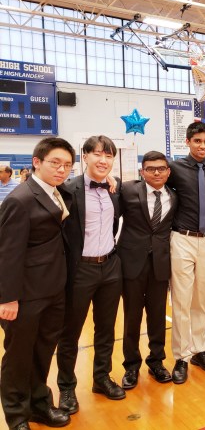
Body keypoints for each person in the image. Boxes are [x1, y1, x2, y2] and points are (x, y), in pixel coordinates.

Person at [0, 138, 74, 430]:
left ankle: (40, 405)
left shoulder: (57, 192)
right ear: (36, 162)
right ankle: (17, 415)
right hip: (25, 294)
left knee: (43, 351)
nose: (61, 170)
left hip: (54, 288)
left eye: (67, 165)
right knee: (19, 356)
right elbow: (7, 253)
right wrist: (7, 298)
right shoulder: (20, 200)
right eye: (55, 163)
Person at [57, 135, 125, 415]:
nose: (103, 160)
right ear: (84, 156)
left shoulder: (115, 189)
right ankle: (66, 387)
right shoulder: (67, 189)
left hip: (110, 266)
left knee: (106, 329)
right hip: (79, 269)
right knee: (70, 332)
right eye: (97, 154)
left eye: (108, 155)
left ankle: (101, 378)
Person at [166, 121, 205, 383]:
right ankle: (181, 356)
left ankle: (200, 350)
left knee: (201, 300)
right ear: (188, 142)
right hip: (182, 239)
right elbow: (152, 184)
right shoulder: (175, 168)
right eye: (197, 141)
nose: (202, 146)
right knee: (181, 300)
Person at [118, 151, 177, 390]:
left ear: (168, 172)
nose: (156, 173)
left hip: (160, 265)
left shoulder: (174, 196)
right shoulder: (127, 190)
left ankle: (156, 362)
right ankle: (131, 366)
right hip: (131, 263)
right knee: (132, 317)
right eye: (150, 169)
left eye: (161, 168)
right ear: (142, 172)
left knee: (157, 316)